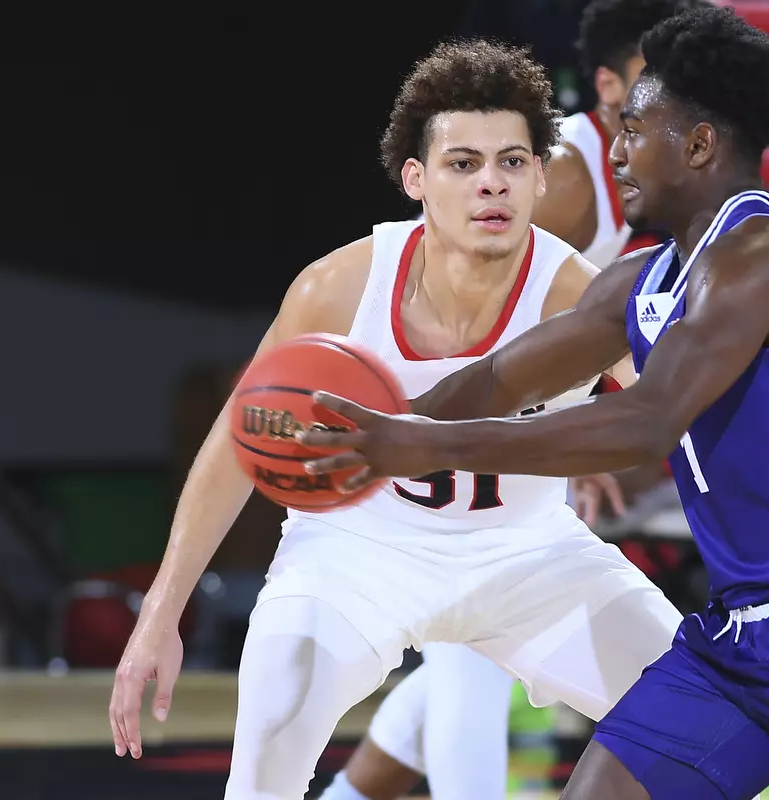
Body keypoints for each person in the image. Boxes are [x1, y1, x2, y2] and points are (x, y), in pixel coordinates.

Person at [298, 8, 769, 799]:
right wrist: (375, 422)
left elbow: (646, 421)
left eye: (634, 132)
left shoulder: (766, 257)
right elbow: (502, 379)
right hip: (742, 642)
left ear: (698, 145)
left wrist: (424, 450)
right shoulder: (646, 279)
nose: (618, 153)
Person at [107, 39, 684, 800]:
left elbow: (686, 414)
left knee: (698, 716)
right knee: (268, 743)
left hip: (530, 555)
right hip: (359, 550)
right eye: (463, 163)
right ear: (416, 178)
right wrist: (161, 612)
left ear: (541, 176)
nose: (492, 184)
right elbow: (234, 442)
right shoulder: (338, 289)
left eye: (513, 162)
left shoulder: (582, 296)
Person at [319, 4, 710, 799]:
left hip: (497, 422)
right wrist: (551, 433)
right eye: (659, 80)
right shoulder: (567, 177)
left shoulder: (653, 172)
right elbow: (464, 314)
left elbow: (562, 333)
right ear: (609, 88)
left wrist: (572, 425)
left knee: (473, 650)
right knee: (471, 650)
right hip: (437, 417)